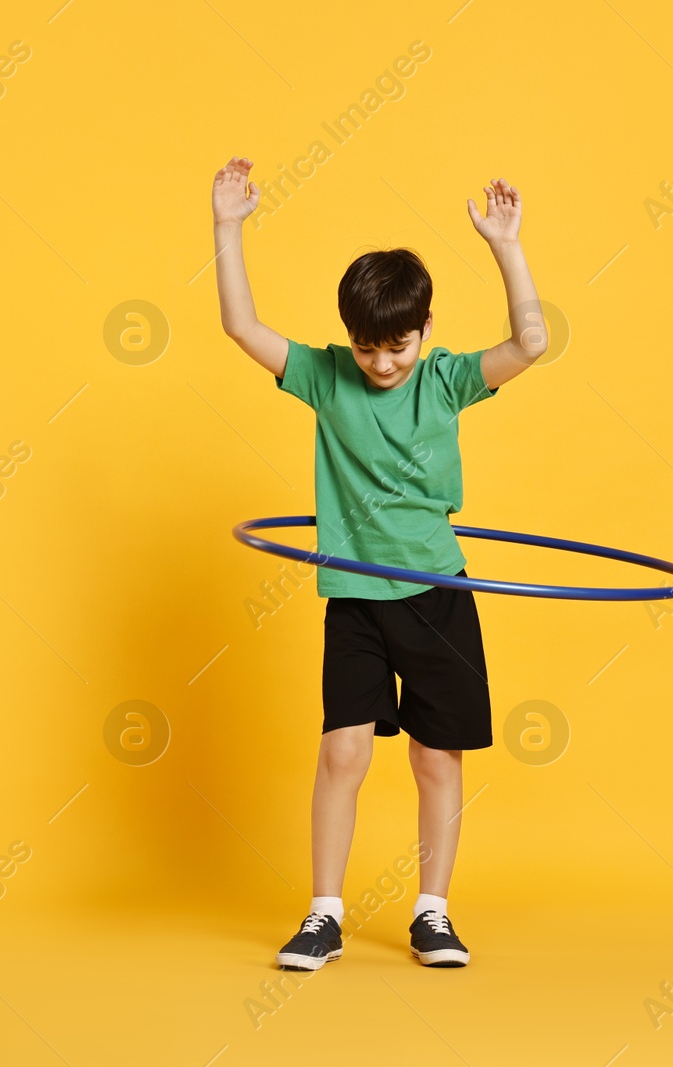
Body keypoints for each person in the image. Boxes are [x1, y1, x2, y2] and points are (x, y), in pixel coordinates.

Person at [210, 156, 547, 969]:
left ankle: (432, 911)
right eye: (367, 349)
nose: (382, 364)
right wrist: (227, 226)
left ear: (425, 331)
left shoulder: (448, 381)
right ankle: (323, 912)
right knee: (343, 752)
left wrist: (506, 244)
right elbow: (240, 328)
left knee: (436, 756)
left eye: (396, 347)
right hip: (355, 595)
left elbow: (533, 341)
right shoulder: (328, 377)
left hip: (439, 594)